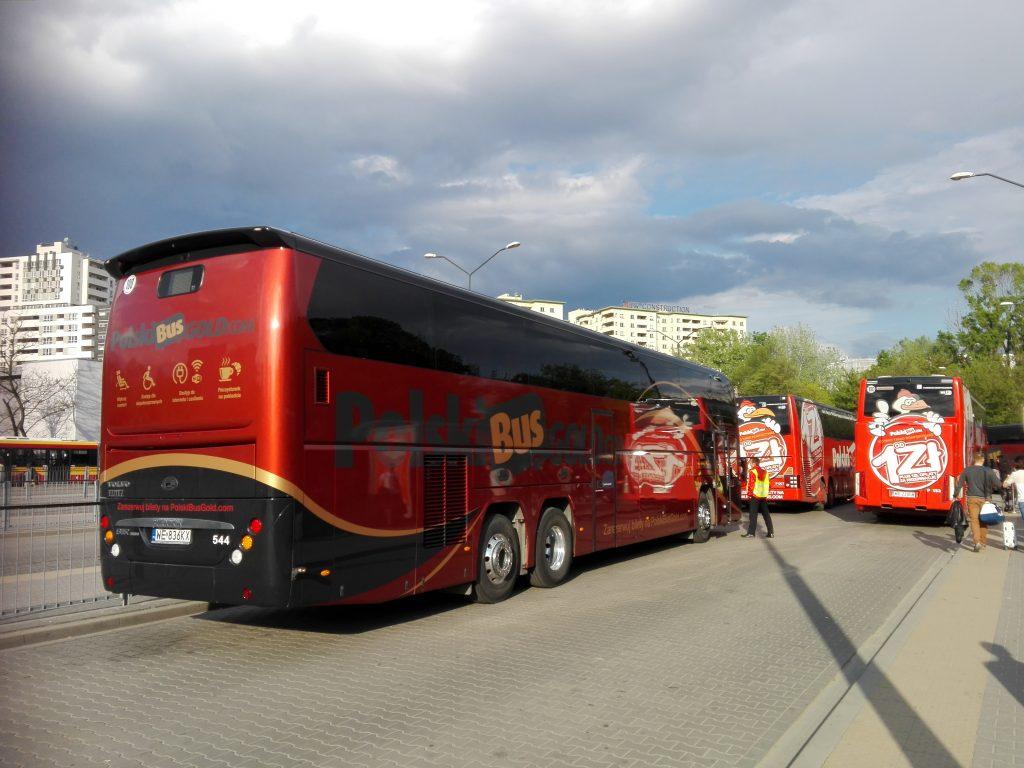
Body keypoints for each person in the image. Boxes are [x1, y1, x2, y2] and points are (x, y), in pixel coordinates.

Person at [955, 452, 1002, 552]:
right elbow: (998, 484)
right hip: (986, 499)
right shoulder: (988, 471)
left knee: (974, 521)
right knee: (984, 520)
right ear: (983, 460)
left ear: (974, 459)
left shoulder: (967, 470)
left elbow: (959, 484)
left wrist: (955, 495)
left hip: (972, 498)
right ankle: (983, 542)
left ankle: (977, 543)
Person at [742, 455, 774, 539]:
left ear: (754, 463)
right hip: (763, 496)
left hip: (755, 496)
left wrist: (749, 494)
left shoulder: (753, 471)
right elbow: (769, 485)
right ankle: (771, 532)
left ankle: (751, 533)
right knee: (766, 514)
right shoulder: (765, 472)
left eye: (751, 463)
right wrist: (765, 493)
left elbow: (751, 484)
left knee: (753, 515)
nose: (750, 464)